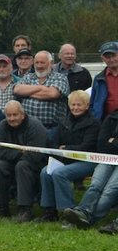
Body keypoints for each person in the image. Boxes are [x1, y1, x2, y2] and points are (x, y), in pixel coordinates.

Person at [36, 91, 99, 221]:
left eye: (79, 105)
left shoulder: (94, 123)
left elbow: (87, 146)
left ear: (87, 106)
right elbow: (54, 141)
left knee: (60, 174)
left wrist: (67, 148)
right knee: (45, 172)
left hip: (86, 161)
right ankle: (49, 211)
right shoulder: (63, 121)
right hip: (66, 160)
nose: (75, 108)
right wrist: (57, 149)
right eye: (73, 104)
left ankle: (68, 212)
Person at [0, 101, 46, 221]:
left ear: (22, 115)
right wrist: (20, 152)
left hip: (37, 164)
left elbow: (35, 155)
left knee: (22, 166)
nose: (12, 118)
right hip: (14, 161)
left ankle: (25, 209)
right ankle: (0, 207)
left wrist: (13, 154)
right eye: (9, 115)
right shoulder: (2, 126)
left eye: (15, 115)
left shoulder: (35, 126)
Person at [13, 50, 68, 132]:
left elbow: (52, 94)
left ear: (51, 63)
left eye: (42, 63)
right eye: (37, 63)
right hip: (27, 128)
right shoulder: (28, 77)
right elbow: (17, 90)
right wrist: (41, 88)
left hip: (52, 129)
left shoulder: (60, 78)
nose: (39, 66)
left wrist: (27, 92)